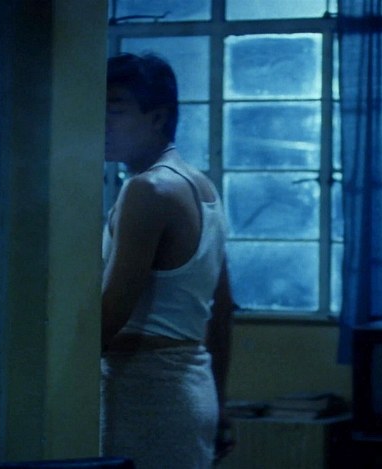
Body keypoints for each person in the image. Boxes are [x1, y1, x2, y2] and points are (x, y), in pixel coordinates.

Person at [100, 52, 235, 469]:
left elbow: (110, 315)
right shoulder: (201, 186)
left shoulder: (148, 190)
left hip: (147, 393)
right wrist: (221, 401)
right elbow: (222, 310)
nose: (100, 123)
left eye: (115, 111)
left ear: (157, 118)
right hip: (191, 384)